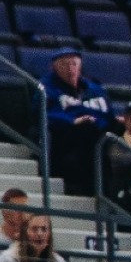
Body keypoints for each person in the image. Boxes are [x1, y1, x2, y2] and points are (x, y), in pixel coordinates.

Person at [43, 48, 110, 195]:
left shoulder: (95, 89)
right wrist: (72, 121)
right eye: (65, 65)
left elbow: (108, 114)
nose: (70, 68)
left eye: (74, 64)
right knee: (89, 132)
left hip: (99, 131)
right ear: (54, 67)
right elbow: (44, 115)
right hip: (66, 137)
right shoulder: (46, 89)